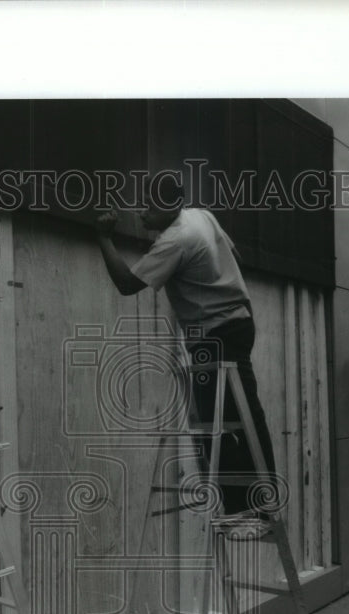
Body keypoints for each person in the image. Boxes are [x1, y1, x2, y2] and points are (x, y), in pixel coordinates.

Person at [93, 175, 277, 515]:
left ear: (170, 207)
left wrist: (104, 237)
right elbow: (232, 251)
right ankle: (259, 500)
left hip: (215, 334)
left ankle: (245, 509)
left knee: (217, 422)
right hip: (238, 322)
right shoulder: (201, 215)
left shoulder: (175, 240)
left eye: (149, 207)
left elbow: (125, 283)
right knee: (242, 414)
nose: (142, 213)